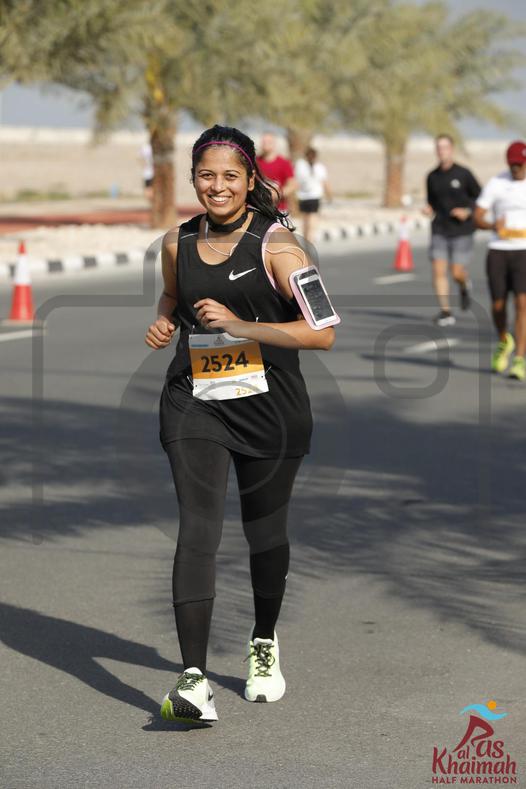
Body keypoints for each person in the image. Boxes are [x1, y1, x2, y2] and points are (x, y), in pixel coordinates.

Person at [144, 124, 336, 724]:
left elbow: (324, 332)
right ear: (193, 179)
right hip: (196, 400)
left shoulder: (280, 247)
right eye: (206, 175)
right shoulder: (176, 243)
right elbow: (172, 298)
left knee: (264, 533)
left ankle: (263, 639)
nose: (218, 186)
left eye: (230, 176)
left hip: (270, 408)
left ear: (251, 180)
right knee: (197, 527)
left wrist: (242, 325)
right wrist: (164, 322)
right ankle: (193, 679)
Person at [474, 140, 526, 381]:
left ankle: (520, 359)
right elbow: (477, 216)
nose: (516, 168)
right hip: (498, 250)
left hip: (524, 251)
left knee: (522, 304)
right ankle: (505, 340)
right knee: (498, 305)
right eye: (513, 164)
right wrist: (493, 225)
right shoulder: (497, 183)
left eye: (520, 164)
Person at [423, 134, 481, 326]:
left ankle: (464, 284)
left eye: (445, 147)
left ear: (452, 149)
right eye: (438, 147)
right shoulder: (432, 176)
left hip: (462, 231)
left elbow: (480, 198)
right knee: (438, 270)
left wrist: (467, 211)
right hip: (439, 229)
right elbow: (431, 201)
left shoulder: (464, 174)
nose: (442, 151)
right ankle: (446, 312)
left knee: (456, 272)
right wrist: (428, 209)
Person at [294, 147, 332, 244]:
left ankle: (306, 239)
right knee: (312, 220)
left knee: (305, 220)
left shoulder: (300, 166)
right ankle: (309, 240)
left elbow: (296, 182)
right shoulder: (319, 167)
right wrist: (329, 196)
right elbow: (325, 183)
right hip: (314, 197)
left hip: (303, 197)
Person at [256, 132, 296, 213]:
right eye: (264, 142)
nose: (266, 144)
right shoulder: (255, 162)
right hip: (258, 208)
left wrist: (277, 194)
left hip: (279, 209)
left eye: (269, 142)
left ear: (274, 144)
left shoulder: (284, 163)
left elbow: (292, 185)